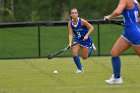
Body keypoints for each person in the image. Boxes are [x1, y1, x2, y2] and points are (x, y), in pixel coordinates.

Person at [104, 0, 140, 84]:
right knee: (114, 53)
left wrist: (110, 17)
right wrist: (135, 22)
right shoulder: (136, 3)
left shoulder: (124, 0)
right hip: (128, 33)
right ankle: (117, 78)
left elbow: (118, 11)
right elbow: (127, 14)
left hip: (133, 33)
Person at [68, 8, 96, 73]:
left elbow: (91, 27)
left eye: (75, 13)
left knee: (84, 57)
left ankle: (91, 47)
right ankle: (80, 69)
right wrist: (70, 43)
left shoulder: (82, 21)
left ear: (77, 14)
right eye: (73, 13)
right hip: (77, 39)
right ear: (71, 15)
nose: (74, 14)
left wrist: (86, 35)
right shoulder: (70, 23)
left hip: (86, 40)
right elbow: (70, 33)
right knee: (74, 53)